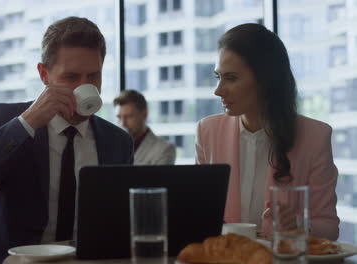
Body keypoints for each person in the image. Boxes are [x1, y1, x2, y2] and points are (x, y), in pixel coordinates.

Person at [0, 17, 134, 264]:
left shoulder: (117, 141)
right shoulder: (1, 118)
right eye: (71, 77)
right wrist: (27, 122)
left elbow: (119, 219)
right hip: (3, 259)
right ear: (44, 75)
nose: (84, 87)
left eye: (93, 76)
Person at [195, 23, 339, 240]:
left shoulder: (315, 137)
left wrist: (299, 224)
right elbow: (199, 215)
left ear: (265, 81)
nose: (218, 90)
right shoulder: (207, 132)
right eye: (218, 77)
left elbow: (329, 228)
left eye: (231, 78)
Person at [113, 90, 176, 165]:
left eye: (129, 117)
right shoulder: (112, 147)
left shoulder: (165, 149)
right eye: (119, 117)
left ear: (144, 115)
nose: (122, 123)